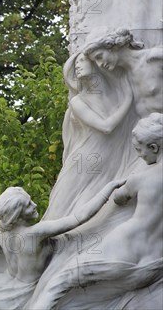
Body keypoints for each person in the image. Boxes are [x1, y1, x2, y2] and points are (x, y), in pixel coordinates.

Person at [28, 113, 163, 309]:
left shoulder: (142, 179)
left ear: (153, 147)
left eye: (139, 150)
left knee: (59, 284)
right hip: (154, 261)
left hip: (125, 246)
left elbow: (119, 197)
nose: (139, 156)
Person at [0, 178, 125, 309]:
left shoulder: (3, 236)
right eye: (28, 205)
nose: (34, 205)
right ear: (17, 215)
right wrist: (109, 187)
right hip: (24, 292)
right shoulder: (35, 233)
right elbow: (78, 218)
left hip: (1, 285)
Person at [42, 51, 135, 218]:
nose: (77, 65)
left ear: (95, 64)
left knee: (100, 209)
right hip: (85, 160)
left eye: (82, 60)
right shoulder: (78, 101)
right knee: (63, 207)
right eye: (75, 62)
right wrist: (128, 98)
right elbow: (106, 127)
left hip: (108, 160)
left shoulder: (113, 95)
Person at [84, 28, 162, 118]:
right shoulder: (124, 77)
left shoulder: (153, 58)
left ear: (111, 46)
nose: (99, 64)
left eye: (99, 57)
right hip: (145, 128)